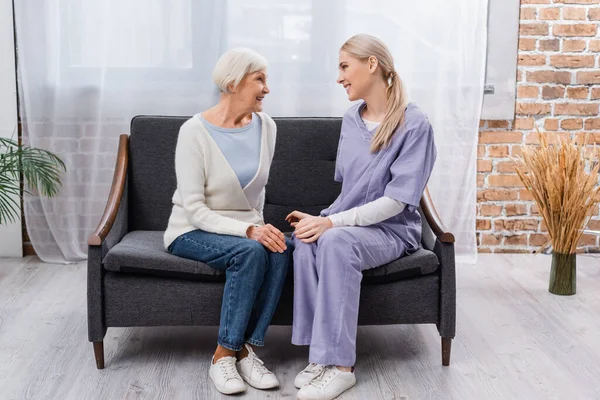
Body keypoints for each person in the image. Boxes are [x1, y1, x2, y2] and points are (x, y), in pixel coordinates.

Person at [286, 34, 437, 400]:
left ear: (372, 64)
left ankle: (341, 367)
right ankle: (319, 356)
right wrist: (322, 218)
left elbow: (395, 203)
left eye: (344, 66)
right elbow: (353, 188)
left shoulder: (415, 125)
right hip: (350, 222)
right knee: (305, 241)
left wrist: (333, 224)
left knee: (334, 241)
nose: (339, 77)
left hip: (392, 230)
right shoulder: (352, 118)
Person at [164, 48, 293, 395]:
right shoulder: (194, 132)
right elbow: (194, 208)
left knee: (281, 247)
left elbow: (257, 194)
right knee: (251, 252)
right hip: (192, 228)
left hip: (243, 227)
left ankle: (247, 348)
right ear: (234, 82)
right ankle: (223, 354)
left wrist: (261, 228)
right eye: (260, 79)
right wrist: (249, 232)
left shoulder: (267, 127)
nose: (267, 88)